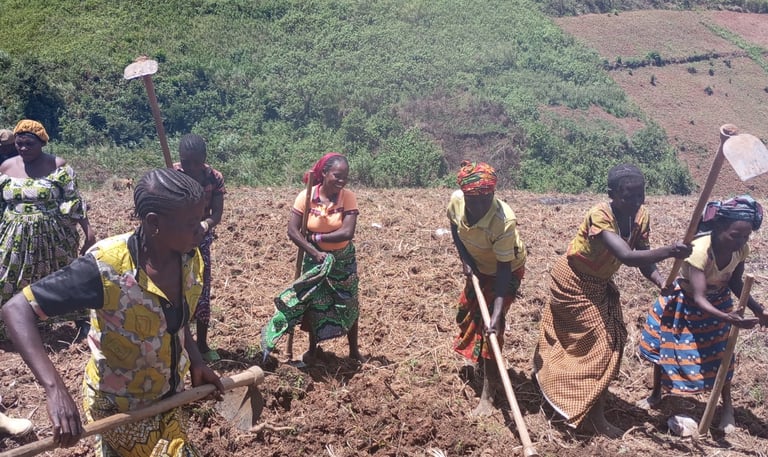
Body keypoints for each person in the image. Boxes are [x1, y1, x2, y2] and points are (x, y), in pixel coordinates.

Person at [1, 168, 224, 456]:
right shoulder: (105, 268)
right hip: (118, 407)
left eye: (202, 219)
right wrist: (55, 390)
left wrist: (196, 361)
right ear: (154, 223)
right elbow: (17, 309)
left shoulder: (190, 259)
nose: (202, 228)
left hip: (169, 399)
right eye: (192, 223)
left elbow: (174, 320)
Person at [532, 163, 692, 437]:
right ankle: (592, 416)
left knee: (614, 338)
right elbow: (626, 256)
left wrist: (659, 281)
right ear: (612, 194)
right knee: (601, 345)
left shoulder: (641, 217)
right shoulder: (600, 215)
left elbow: (643, 256)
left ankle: (589, 401)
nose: (636, 202)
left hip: (600, 285)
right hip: (573, 282)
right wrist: (669, 251)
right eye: (628, 196)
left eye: (640, 195)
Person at [638, 195, 768, 433]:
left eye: (746, 236)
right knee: (665, 350)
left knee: (722, 354)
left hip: (719, 301)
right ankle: (656, 394)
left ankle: (727, 409)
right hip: (685, 303)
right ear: (718, 228)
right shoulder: (700, 251)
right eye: (735, 235)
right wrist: (728, 318)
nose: (741, 241)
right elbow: (698, 297)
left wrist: (759, 310)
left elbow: (735, 282)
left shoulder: (741, 250)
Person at [261, 153, 363, 365]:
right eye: (337, 175)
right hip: (315, 258)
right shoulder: (306, 196)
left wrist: (317, 238)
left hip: (343, 260)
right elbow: (293, 230)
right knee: (314, 302)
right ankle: (312, 350)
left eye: (345, 176)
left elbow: (347, 232)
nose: (341, 180)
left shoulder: (348, 197)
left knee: (349, 301)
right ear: (324, 173)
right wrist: (314, 251)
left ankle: (354, 351)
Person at [0, 119, 95, 340]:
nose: (24, 148)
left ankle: (81, 319)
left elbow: (73, 201)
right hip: (13, 236)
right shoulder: (5, 168)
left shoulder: (58, 166)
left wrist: (89, 232)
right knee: (8, 278)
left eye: (29, 144)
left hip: (53, 235)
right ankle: (12, 324)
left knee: (63, 275)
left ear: (42, 143)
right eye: (20, 144)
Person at [446, 160, 527, 417]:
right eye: (474, 200)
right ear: (465, 196)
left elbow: (504, 270)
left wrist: (497, 313)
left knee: (492, 328)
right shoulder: (456, 202)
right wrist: (465, 260)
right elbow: (454, 227)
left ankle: (488, 397)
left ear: (493, 193)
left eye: (486, 199)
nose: (481, 206)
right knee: (465, 314)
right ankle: (481, 366)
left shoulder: (503, 221)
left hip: (506, 271)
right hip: (479, 266)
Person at [173, 133, 226, 363]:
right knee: (175, 289)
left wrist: (204, 225)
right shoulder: (172, 174)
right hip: (174, 239)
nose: (191, 168)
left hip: (200, 240)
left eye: (196, 162)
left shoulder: (214, 178)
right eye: (187, 162)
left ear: (204, 158)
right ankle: (178, 343)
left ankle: (202, 345)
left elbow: (217, 214)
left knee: (202, 289)